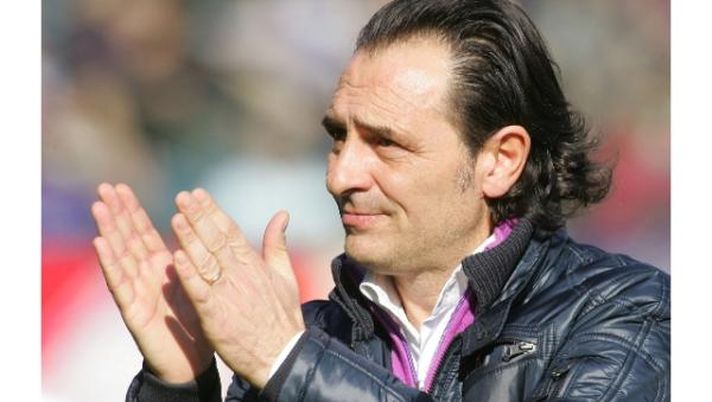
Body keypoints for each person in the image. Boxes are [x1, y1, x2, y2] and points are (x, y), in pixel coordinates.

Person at [90, 0, 670, 401]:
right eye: (338, 137)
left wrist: (289, 364)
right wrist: (179, 383)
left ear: (500, 160)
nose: (341, 174)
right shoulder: (306, 336)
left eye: (386, 143)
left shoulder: (628, 310)